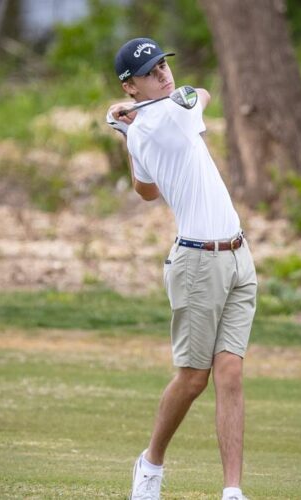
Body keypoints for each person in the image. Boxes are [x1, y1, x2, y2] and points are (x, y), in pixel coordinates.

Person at [106, 37, 258, 500]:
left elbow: (145, 190)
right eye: (150, 72)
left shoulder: (146, 125)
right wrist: (138, 123)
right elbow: (203, 95)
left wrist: (128, 129)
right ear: (131, 85)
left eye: (163, 65)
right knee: (194, 378)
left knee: (229, 370)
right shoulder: (172, 112)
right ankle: (150, 463)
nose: (164, 74)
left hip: (237, 254)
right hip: (197, 262)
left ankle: (232, 491)